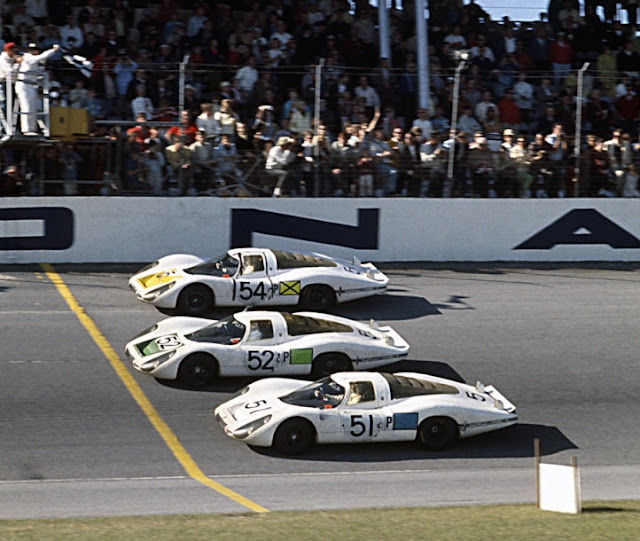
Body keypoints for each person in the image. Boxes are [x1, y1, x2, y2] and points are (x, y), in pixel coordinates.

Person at [15, 42, 60, 135]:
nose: (34, 51)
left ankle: (32, 129)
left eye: (35, 50)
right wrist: (53, 50)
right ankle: (26, 129)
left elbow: (40, 71)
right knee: (26, 106)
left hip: (31, 84)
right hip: (24, 84)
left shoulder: (35, 61)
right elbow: (42, 57)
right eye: (32, 50)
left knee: (33, 107)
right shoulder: (28, 57)